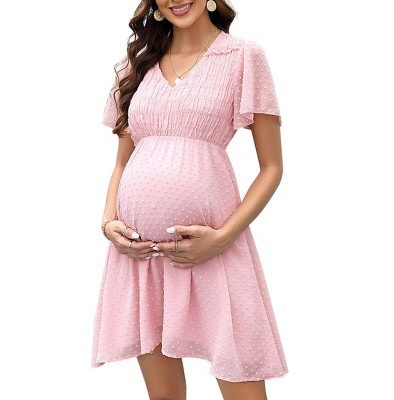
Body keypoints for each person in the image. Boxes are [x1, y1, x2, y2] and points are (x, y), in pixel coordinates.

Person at [91, 1, 289, 399]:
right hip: (142, 257)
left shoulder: (243, 57)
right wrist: (108, 221)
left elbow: (272, 167)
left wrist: (223, 237)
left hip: (215, 250)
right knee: (164, 396)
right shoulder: (136, 66)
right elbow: (122, 162)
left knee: (243, 387)